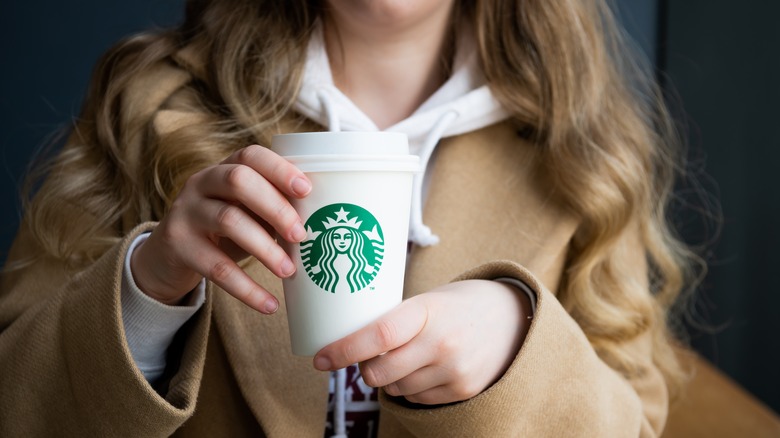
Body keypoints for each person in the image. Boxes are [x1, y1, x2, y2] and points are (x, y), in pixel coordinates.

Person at [0, 0, 699, 436]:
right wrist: (146, 285)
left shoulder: (582, 152)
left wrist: (522, 351)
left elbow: (632, 419)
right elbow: (17, 405)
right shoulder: (148, 107)